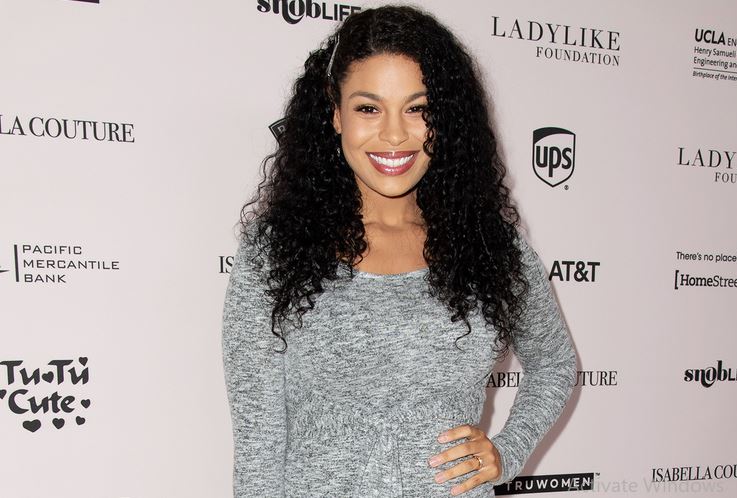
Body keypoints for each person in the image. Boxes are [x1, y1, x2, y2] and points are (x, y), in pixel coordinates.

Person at [221, 5, 577, 497]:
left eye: (417, 108)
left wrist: (508, 451)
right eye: (369, 108)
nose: (394, 134)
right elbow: (258, 446)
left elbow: (555, 363)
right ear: (335, 112)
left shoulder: (489, 245)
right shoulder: (275, 252)